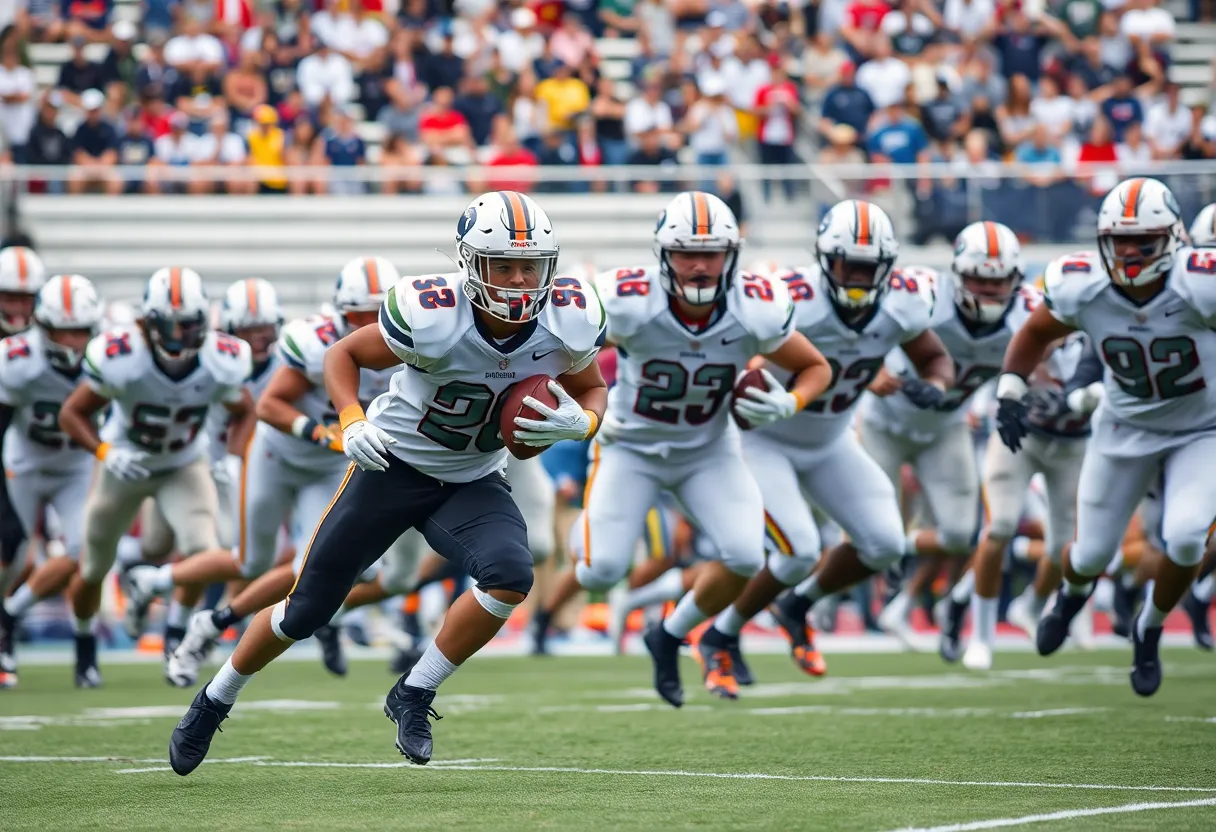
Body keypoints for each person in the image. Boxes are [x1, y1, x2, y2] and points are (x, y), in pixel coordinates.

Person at [169, 191, 608, 774]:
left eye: (530, 266)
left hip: (472, 476)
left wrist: (586, 421)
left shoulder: (566, 317)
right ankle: (212, 700)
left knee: (510, 577)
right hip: (392, 467)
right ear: (471, 264)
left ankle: (415, 692)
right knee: (304, 611)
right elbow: (342, 355)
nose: (519, 280)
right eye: (503, 265)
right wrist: (351, 419)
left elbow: (591, 386)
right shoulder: (433, 313)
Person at [555, 191, 832, 705]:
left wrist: (790, 402)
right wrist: (574, 402)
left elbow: (816, 367)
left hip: (708, 449)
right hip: (629, 448)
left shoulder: (755, 306)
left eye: (712, 253)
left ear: (733, 255)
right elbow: (562, 351)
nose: (700, 265)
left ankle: (670, 633)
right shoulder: (627, 300)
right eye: (686, 252)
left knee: (747, 556)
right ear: (663, 255)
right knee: (600, 570)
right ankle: (589, 529)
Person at [701, 201, 953, 688]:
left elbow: (934, 358)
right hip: (764, 438)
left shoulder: (902, 301)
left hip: (832, 436)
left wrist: (936, 386)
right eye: (848, 264)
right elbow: (739, 358)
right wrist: (755, 383)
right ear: (824, 258)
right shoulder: (790, 297)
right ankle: (720, 634)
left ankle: (798, 605)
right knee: (797, 550)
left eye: (869, 267)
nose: (858, 277)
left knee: (884, 542)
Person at [996, 177, 1216, 697]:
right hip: (1124, 426)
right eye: (1120, 240)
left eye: (1144, 240)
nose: (1131, 252)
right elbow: (1034, 332)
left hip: (1202, 428)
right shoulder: (1081, 283)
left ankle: (1150, 627)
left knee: (1185, 535)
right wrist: (1010, 390)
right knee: (1091, 554)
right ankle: (1071, 596)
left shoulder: (1201, 282)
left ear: (1174, 238)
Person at [162, 262, 397, 687]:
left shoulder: (411, 342)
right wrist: (320, 432)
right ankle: (196, 614)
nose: (370, 324)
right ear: (341, 312)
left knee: (314, 562)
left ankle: (216, 625)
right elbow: (269, 406)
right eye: (360, 314)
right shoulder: (314, 341)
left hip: (329, 469)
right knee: (251, 560)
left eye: (378, 312)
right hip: (277, 457)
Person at [57, 267, 254, 687]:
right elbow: (72, 412)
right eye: (170, 324)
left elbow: (245, 410)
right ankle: (85, 645)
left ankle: (176, 634)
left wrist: (234, 457)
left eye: (188, 324)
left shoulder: (223, 358)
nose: (179, 335)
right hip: (125, 464)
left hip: (183, 462)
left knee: (204, 551)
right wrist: (106, 452)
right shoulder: (121, 356)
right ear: (146, 323)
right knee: (93, 565)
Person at [859, 222, 1036, 649]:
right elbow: (858, 330)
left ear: (1015, 280)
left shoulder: (1026, 316)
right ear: (957, 274)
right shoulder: (923, 296)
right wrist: (871, 370)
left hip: (945, 426)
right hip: (884, 421)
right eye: (980, 278)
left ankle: (897, 549)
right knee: (866, 527)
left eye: (999, 281)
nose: (990, 290)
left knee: (960, 533)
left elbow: (1047, 355)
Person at [0, 275, 104, 689]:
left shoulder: (108, 356)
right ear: (43, 327)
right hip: (22, 463)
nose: (73, 340)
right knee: (12, 556)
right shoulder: (15, 357)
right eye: (64, 329)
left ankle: (74, 640)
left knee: (86, 554)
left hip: (76, 465)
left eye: (80, 329)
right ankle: (5, 640)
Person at [0, 245, 47, 608]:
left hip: (30, 450)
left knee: (14, 546)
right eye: (9, 297)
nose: (17, 307)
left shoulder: (48, 338)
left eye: (25, 298)